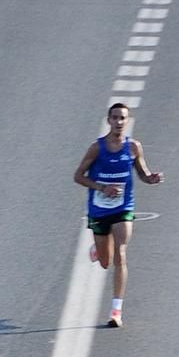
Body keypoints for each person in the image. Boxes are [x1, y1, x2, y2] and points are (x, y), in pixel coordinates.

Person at [74, 103, 163, 327]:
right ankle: (98, 249)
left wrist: (150, 178)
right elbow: (78, 176)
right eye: (115, 118)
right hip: (99, 209)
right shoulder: (97, 148)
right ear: (108, 120)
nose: (119, 122)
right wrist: (102, 188)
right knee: (105, 261)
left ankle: (116, 311)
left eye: (123, 118)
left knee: (120, 254)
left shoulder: (133, 147)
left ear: (128, 121)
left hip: (123, 207)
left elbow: (142, 173)